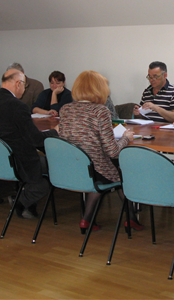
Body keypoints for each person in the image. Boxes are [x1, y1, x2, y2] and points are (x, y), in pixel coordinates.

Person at [59, 71, 137, 232]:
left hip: (73, 167)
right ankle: (132, 219)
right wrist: (126, 138)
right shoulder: (100, 111)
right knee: (123, 174)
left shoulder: (65, 109)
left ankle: (86, 220)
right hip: (95, 169)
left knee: (104, 175)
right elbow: (113, 151)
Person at [0, 69, 58, 219]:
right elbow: (35, 139)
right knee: (53, 169)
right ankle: (20, 201)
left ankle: (26, 205)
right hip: (17, 160)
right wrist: (55, 132)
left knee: (42, 167)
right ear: (18, 84)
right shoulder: (17, 106)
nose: (24, 89)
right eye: (24, 85)